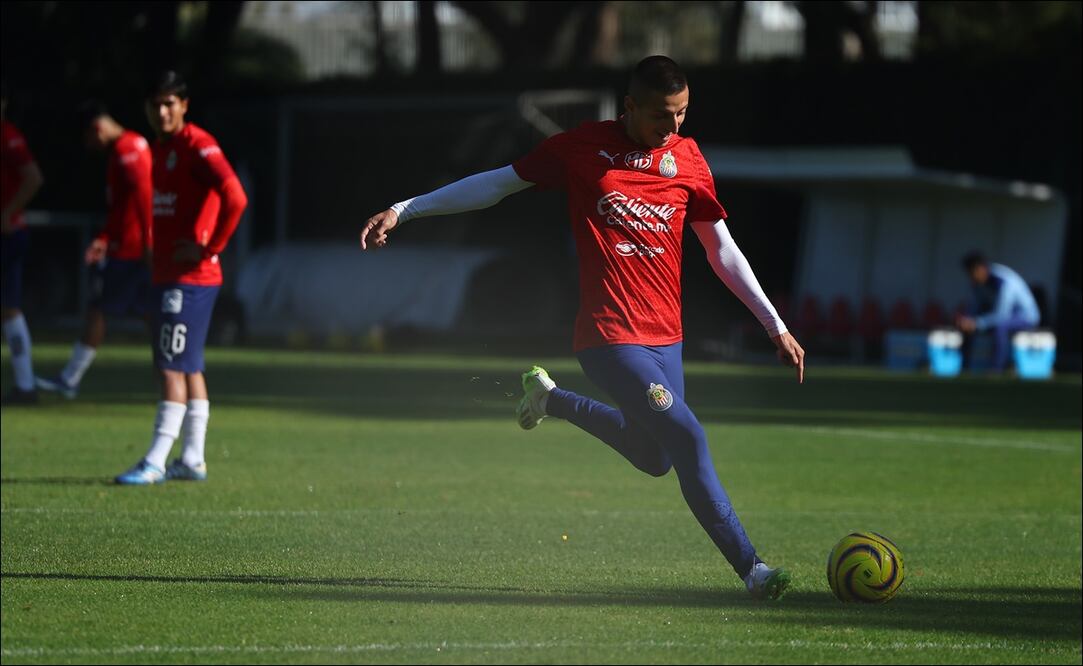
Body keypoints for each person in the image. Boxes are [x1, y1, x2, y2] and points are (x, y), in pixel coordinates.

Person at [359, 56, 805, 599]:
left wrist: (774, 325)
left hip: (668, 340)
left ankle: (551, 400)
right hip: (609, 338)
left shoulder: (687, 158)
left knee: (656, 457)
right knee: (688, 437)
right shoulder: (581, 149)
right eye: (663, 116)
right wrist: (404, 210)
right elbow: (496, 185)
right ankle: (753, 571)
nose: (675, 127)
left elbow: (721, 249)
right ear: (630, 107)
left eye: (683, 114)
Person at [115, 71, 247, 485]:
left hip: (190, 278)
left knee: (170, 367)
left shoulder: (197, 145)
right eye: (155, 103)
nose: (162, 110)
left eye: (170, 103)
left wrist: (209, 248)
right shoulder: (160, 148)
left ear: (184, 106)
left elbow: (236, 196)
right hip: (172, 275)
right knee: (188, 367)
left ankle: (155, 460)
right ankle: (191, 459)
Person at [37, 101, 153, 399]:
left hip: (129, 251)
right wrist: (103, 237)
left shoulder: (129, 150)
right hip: (127, 246)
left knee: (98, 310)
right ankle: (177, 368)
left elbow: (144, 199)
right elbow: (121, 208)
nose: (90, 146)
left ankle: (70, 378)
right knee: (150, 313)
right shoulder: (122, 151)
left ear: (97, 129)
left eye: (89, 138)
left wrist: (148, 243)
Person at [1, 82, 45, 405]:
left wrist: (8, 212)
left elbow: (33, 177)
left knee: (9, 309)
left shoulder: (7, 135)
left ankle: (26, 384)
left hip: (8, 234)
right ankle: (25, 384)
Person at [956, 251, 1041, 372]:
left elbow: (1002, 315)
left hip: (1026, 317)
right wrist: (967, 320)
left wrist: (977, 323)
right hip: (1001, 316)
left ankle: (995, 371)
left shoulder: (1003, 281)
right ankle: (963, 368)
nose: (971, 277)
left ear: (981, 268)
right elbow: (974, 307)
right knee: (968, 327)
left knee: (1000, 328)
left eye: (972, 273)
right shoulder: (977, 284)